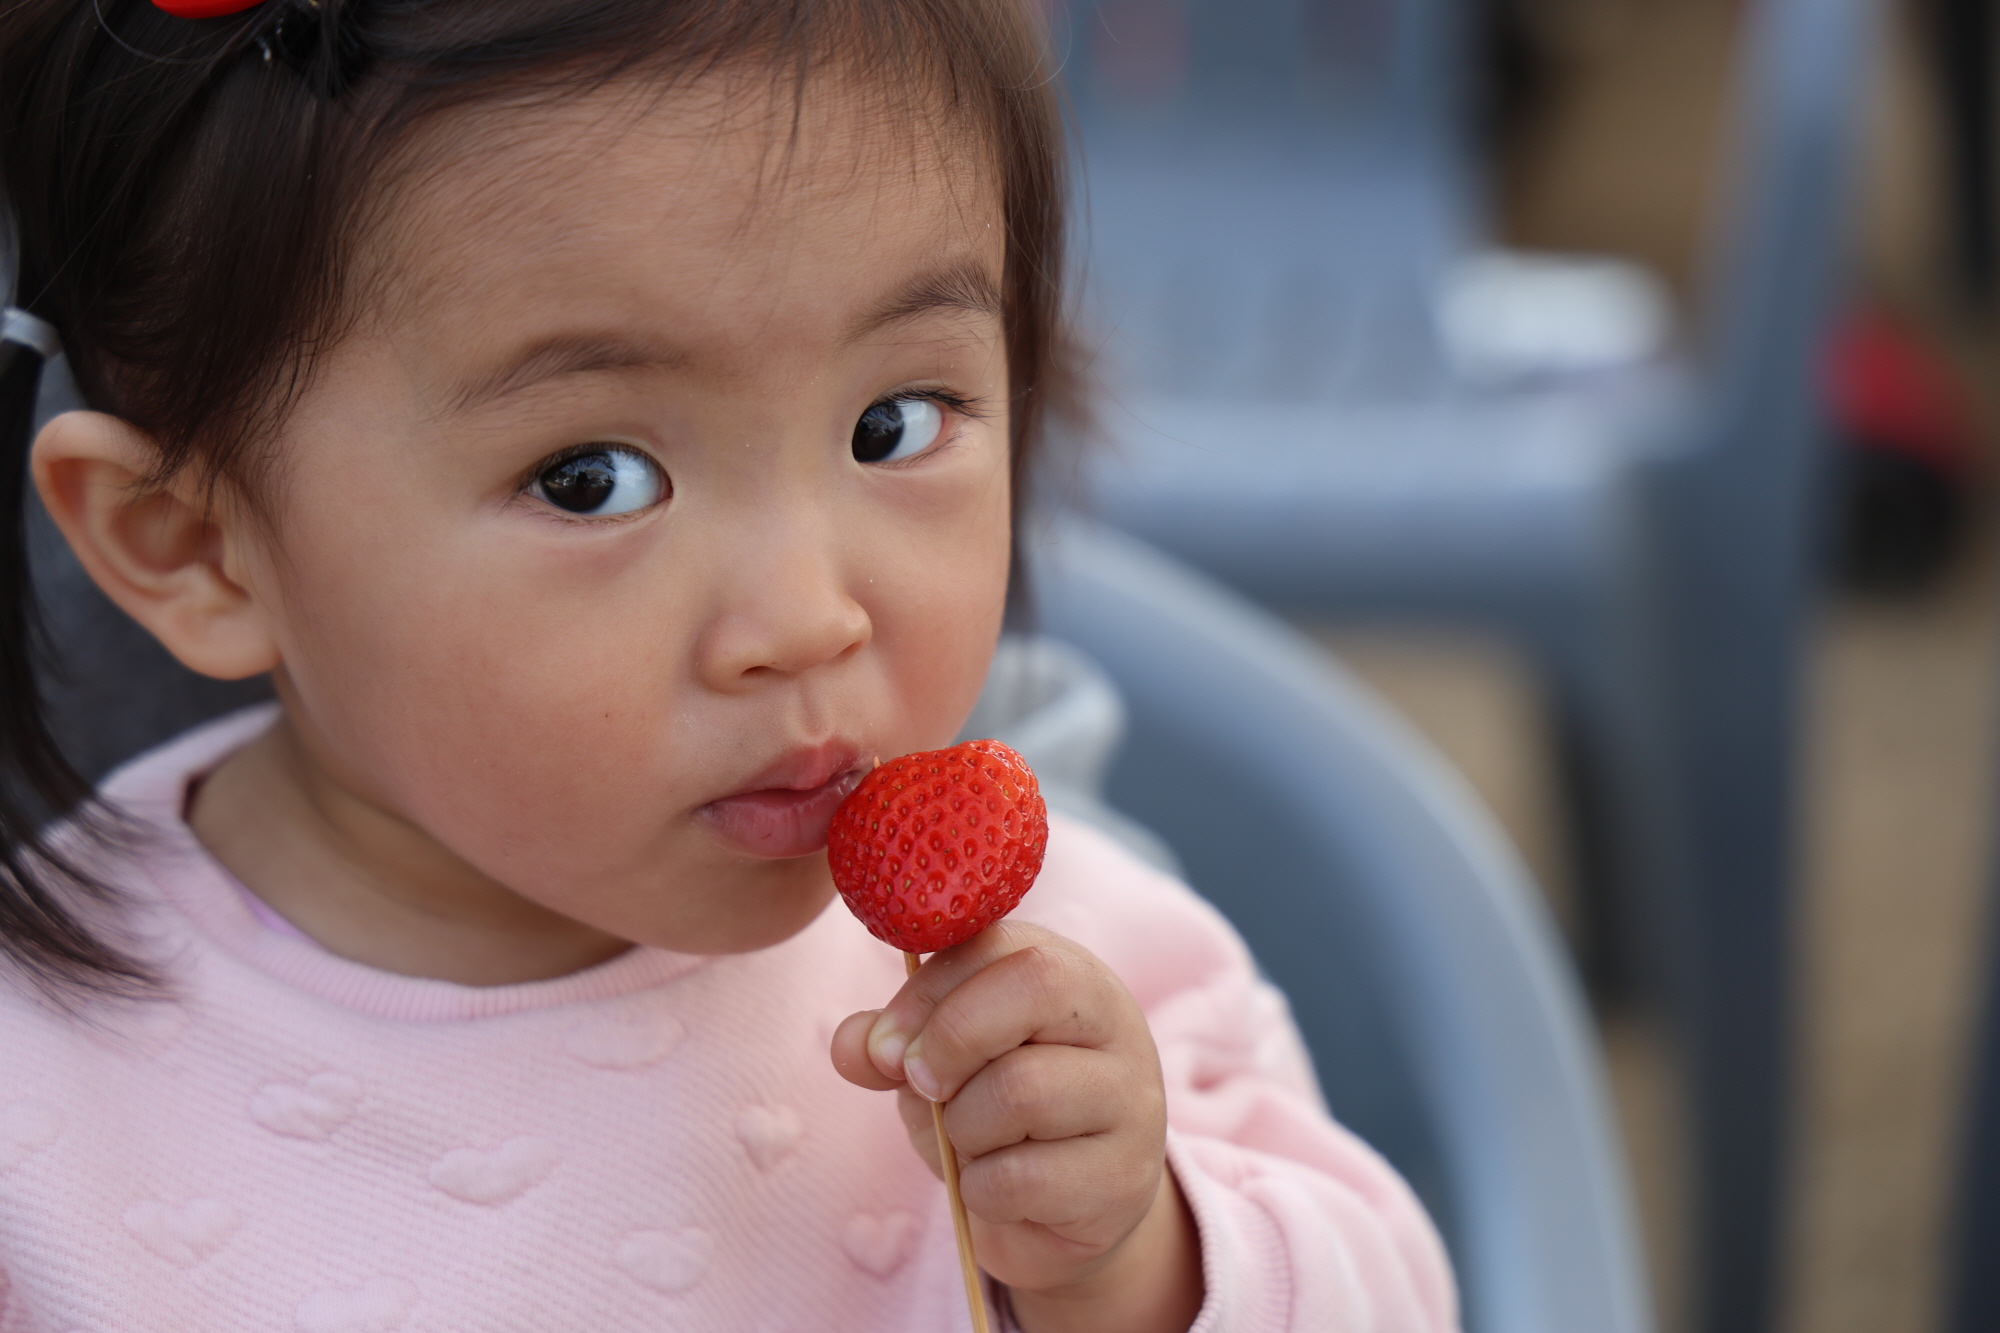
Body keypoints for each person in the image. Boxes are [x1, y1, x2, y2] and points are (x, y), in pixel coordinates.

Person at [0, 1, 1457, 1329]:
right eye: (592, 479)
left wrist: (1135, 1256)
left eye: (894, 422)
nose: (808, 614)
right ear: (193, 546)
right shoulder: (43, 1077)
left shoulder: (1063, 974)